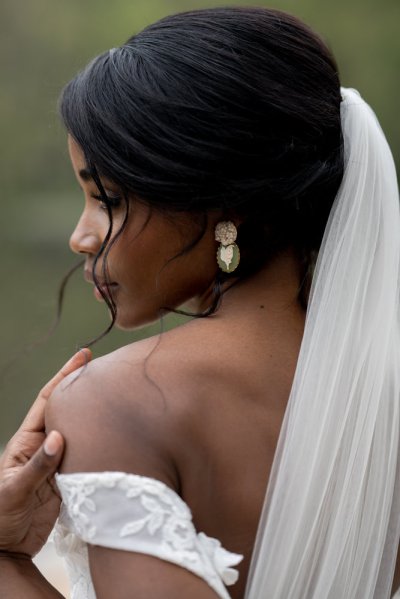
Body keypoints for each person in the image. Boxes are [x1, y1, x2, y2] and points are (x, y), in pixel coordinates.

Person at [1, 6, 400, 598]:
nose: (81, 236)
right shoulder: (382, 399)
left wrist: (5, 557)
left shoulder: (117, 401)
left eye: (107, 198)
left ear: (226, 206)